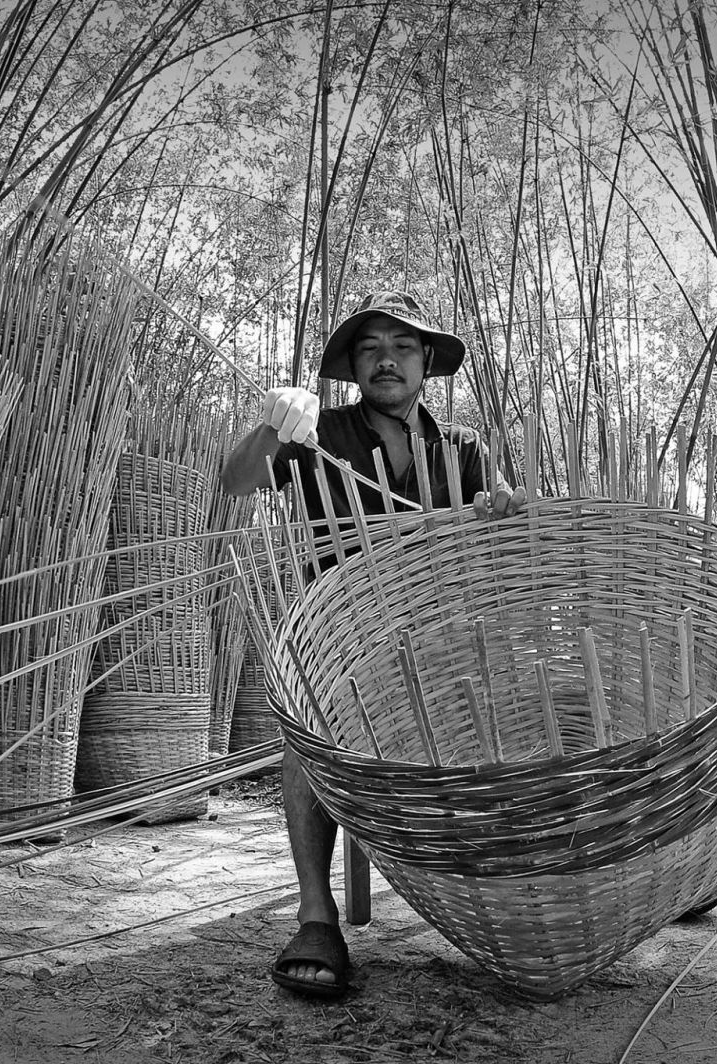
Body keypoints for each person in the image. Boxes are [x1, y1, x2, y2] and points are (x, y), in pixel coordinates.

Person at [222, 291, 527, 999]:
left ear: (426, 362)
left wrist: (502, 510)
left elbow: (505, 523)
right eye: (370, 348)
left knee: (527, 707)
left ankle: (583, 876)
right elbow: (237, 482)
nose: (386, 359)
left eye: (403, 346)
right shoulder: (319, 432)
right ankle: (317, 914)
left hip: (441, 640)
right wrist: (273, 421)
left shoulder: (463, 448)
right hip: (341, 639)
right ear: (354, 366)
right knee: (308, 730)